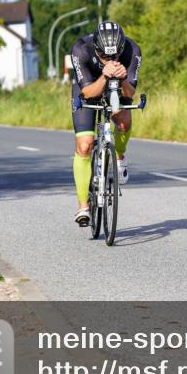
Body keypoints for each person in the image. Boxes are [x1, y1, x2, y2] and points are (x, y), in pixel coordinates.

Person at [70, 21, 142, 226]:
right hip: (89, 85)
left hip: (118, 84)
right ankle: (83, 207)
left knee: (123, 123)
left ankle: (119, 156)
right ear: (96, 48)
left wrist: (123, 78)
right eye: (104, 56)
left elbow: (130, 93)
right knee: (84, 145)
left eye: (115, 56)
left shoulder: (132, 50)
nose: (110, 59)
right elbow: (87, 93)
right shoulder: (81, 49)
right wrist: (104, 75)